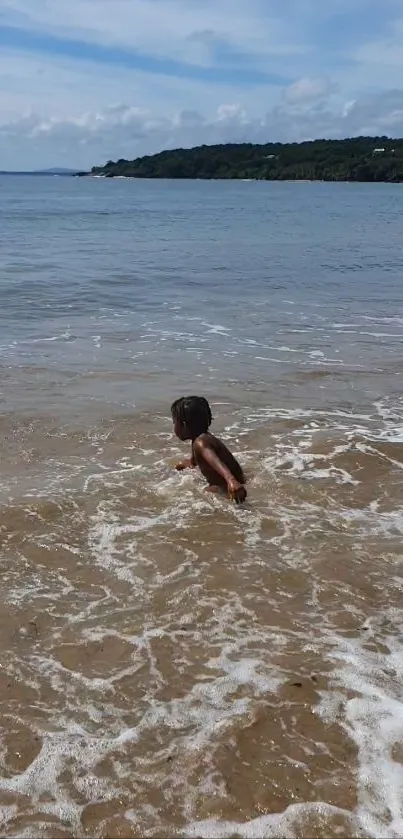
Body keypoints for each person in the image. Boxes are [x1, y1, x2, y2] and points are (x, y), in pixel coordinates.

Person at [171, 395, 247, 504]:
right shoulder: (199, 439)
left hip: (230, 487)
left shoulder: (201, 443)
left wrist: (231, 480)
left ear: (183, 425)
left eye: (174, 422)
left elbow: (214, 460)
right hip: (234, 484)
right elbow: (194, 462)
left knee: (204, 494)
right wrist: (183, 464)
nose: (174, 427)